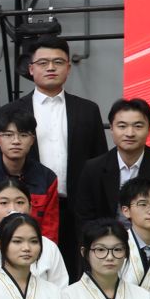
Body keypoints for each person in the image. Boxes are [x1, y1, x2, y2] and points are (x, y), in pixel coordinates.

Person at [25, 37, 108, 265]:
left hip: (79, 209)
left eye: (58, 62)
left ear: (68, 68)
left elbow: (100, 162)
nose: (51, 68)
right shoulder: (12, 111)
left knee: (79, 270)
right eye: (43, 63)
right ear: (31, 69)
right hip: (31, 209)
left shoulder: (88, 110)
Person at [72, 98, 150, 237]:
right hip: (105, 242)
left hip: (148, 241)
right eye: (122, 126)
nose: (130, 133)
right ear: (111, 129)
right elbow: (85, 219)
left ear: (149, 129)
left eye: (138, 126)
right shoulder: (93, 168)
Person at [0, 176, 69, 293]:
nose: (12, 209)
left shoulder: (49, 247)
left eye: (20, 202)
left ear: (30, 207)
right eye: (4, 203)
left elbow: (60, 292)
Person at [0, 105, 60, 244]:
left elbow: (49, 235)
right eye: (8, 135)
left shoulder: (47, 179)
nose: (16, 141)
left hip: (34, 252)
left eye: (23, 135)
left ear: (32, 140)